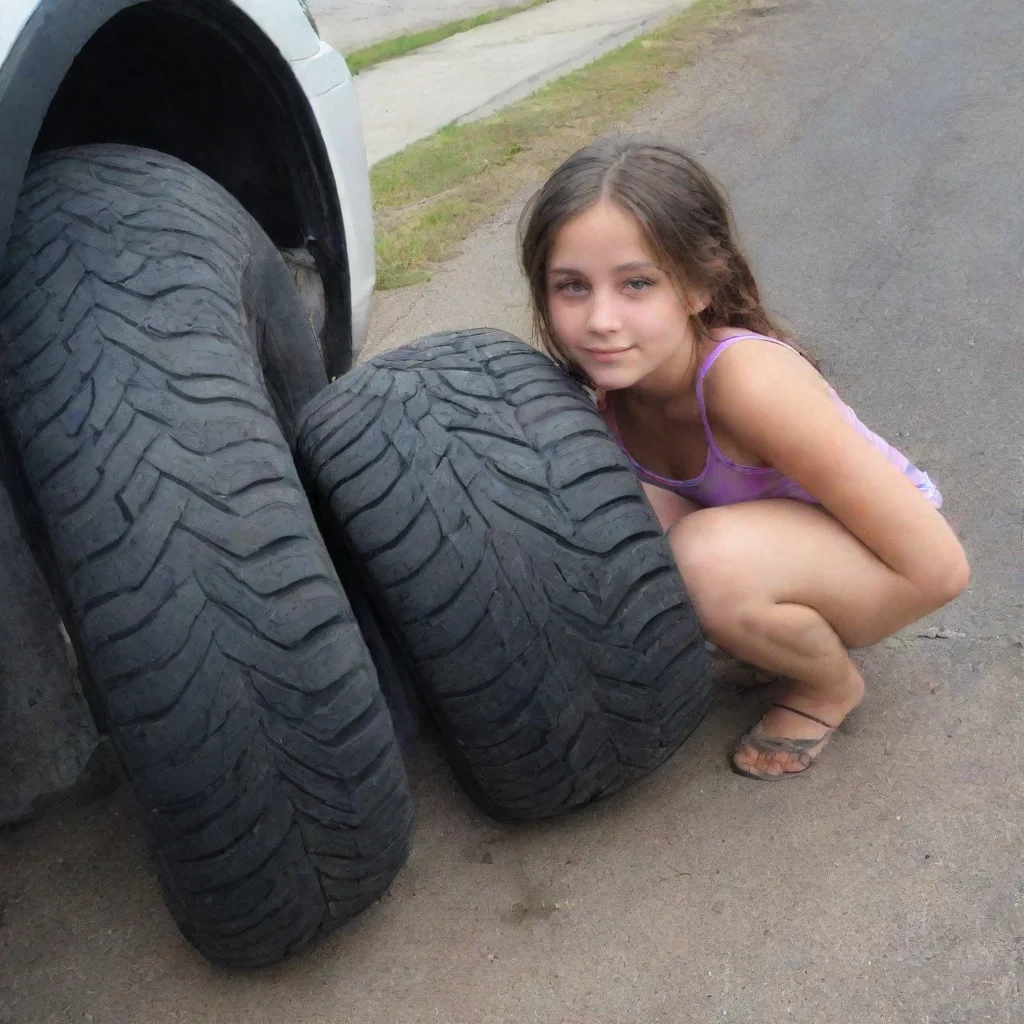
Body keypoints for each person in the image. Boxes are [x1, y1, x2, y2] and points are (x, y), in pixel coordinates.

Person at [518, 135, 970, 781]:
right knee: (599, 511)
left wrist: (826, 603)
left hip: (888, 563)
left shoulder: (746, 381)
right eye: (572, 287)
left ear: (699, 285)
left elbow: (940, 568)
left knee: (700, 559)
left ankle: (827, 685)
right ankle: (762, 620)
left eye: (637, 283)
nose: (601, 319)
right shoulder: (606, 403)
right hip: (775, 549)